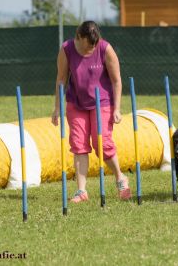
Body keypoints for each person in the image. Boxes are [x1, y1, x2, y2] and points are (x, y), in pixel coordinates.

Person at [51, 20, 131, 203]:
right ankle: (81, 191)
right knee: (78, 144)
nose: (90, 50)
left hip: (102, 102)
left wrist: (117, 108)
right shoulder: (67, 49)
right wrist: (57, 107)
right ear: (78, 37)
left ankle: (120, 178)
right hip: (75, 102)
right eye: (88, 46)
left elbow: (117, 80)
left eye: (93, 46)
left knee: (101, 143)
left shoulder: (105, 49)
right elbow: (61, 79)